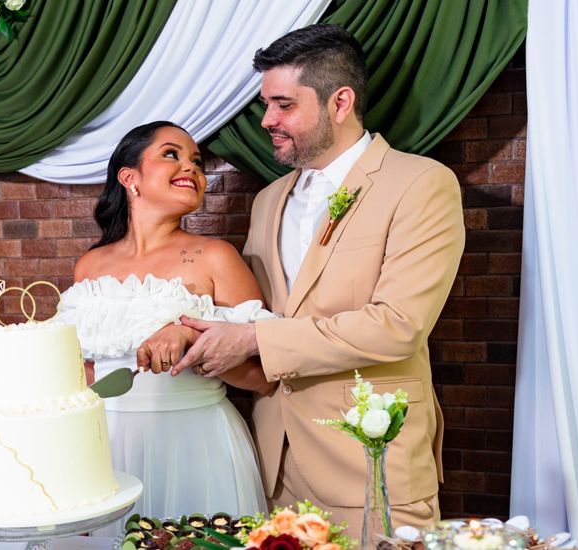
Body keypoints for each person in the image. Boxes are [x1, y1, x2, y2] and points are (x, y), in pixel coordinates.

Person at [170, 24, 466, 537]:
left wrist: (256, 339)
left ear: (340, 101)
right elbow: (251, 313)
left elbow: (398, 325)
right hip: (271, 463)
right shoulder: (268, 200)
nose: (268, 120)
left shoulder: (421, 183)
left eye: (284, 104)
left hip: (371, 464)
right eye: (267, 105)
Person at [54, 121, 274, 528]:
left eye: (196, 161)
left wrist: (194, 343)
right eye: (171, 154)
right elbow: (86, 372)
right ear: (129, 178)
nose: (191, 167)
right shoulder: (89, 266)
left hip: (196, 443)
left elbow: (265, 379)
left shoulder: (216, 257)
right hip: (105, 447)